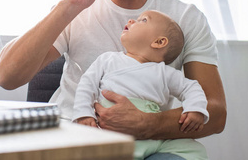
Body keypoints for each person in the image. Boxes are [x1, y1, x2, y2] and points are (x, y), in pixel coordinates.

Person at [0, 0, 226, 160]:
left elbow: (215, 115)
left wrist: (147, 124)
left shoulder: (185, 18)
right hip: (76, 138)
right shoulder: (75, 10)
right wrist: (67, 7)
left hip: (146, 144)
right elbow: (6, 77)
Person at [73, 10, 209, 160]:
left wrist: (195, 108)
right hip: (111, 131)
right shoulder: (108, 59)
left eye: (143, 20)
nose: (131, 21)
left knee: (194, 150)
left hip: (152, 138)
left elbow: (190, 87)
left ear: (159, 42)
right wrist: (83, 114)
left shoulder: (164, 72)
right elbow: (86, 85)